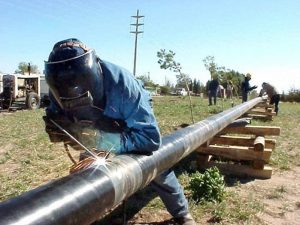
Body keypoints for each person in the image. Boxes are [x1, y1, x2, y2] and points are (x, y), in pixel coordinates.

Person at [43, 38, 196, 225]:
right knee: (88, 172)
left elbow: (150, 139)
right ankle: (88, 214)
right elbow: (56, 117)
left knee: (156, 165)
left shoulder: (125, 87)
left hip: (129, 119)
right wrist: (59, 129)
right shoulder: (60, 85)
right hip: (97, 122)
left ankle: (182, 213)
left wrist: (102, 141)